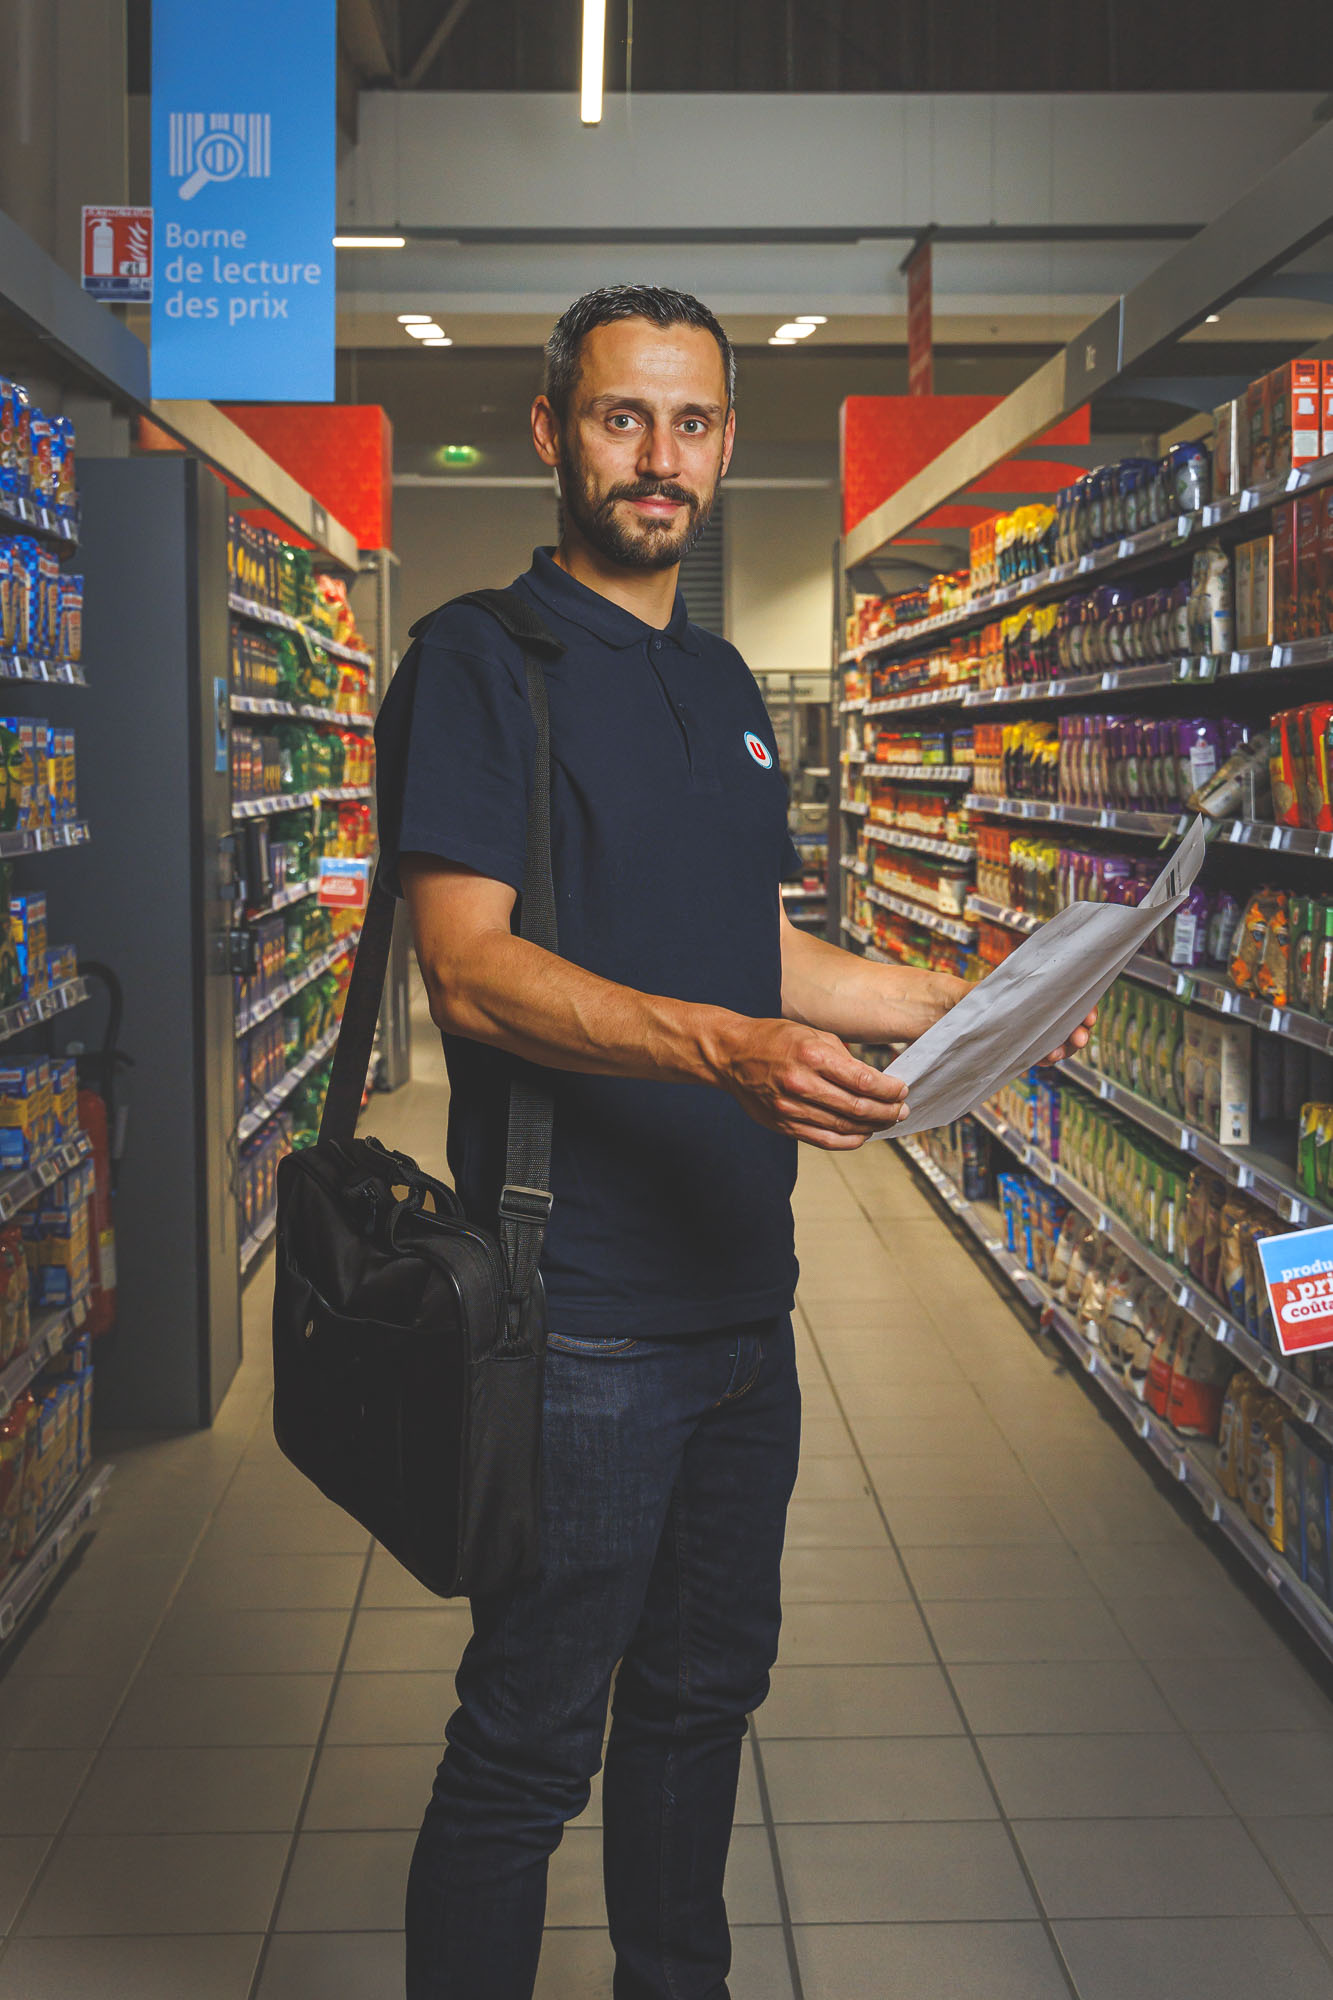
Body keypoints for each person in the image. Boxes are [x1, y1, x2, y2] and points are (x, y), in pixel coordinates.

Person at [378, 284, 1092, 1999]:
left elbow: (736, 942)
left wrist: (947, 993)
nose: (660, 458)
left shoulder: (714, 678)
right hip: (583, 1315)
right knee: (531, 1747)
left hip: (734, 1306)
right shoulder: (483, 663)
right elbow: (468, 974)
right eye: (623, 417)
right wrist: (728, 1053)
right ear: (553, 432)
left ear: (721, 445)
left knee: (702, 1705)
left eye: (692, 424)